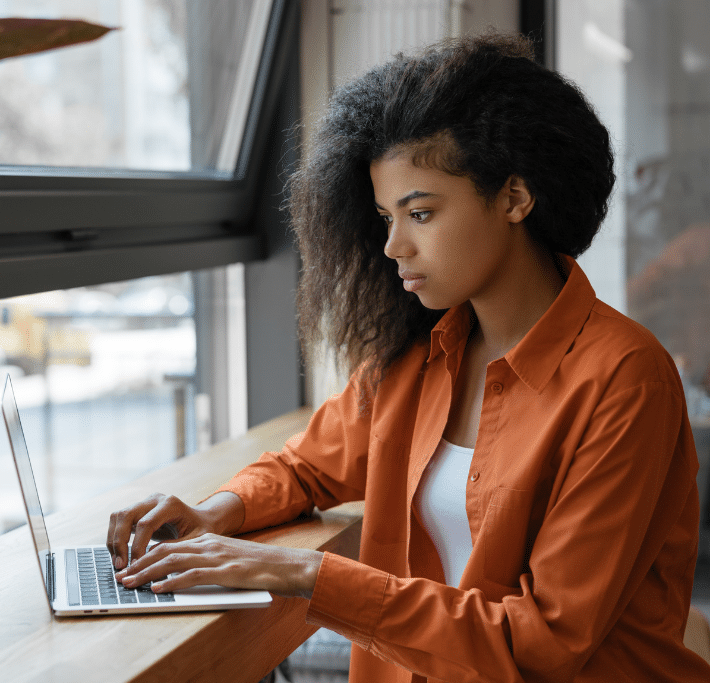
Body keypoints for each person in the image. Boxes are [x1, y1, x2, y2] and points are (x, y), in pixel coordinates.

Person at [107, 33, 710, 682]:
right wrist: (213, 512)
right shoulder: (420, 356)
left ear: (514, 197)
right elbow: (308, 464)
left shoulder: (625, 378)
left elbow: (542, 644)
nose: (394, 246)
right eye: (386, 216)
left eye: (420, 212)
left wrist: (302, 572)